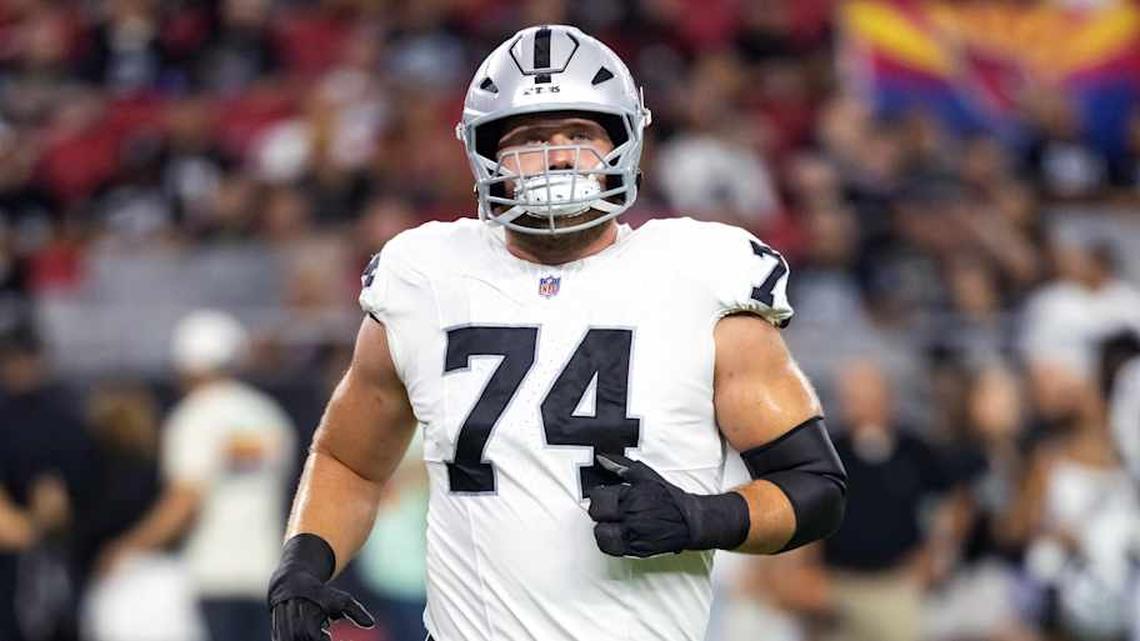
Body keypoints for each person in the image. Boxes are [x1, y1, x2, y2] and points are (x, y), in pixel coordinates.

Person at [268, 25, 847, 641]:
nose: (558, 155)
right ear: (486, 154)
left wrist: (707, 518)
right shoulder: (425, 275)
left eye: (579, 134)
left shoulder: (699, 273)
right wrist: (304, 559)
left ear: (624, 142)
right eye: (530, 138)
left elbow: (813, 486)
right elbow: (349, 461)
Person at [99, 310, 295, 641]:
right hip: (270, 574)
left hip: (212, 576)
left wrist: (130, 547)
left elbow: (185, 500)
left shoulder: (194, 416)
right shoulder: (269, 416)